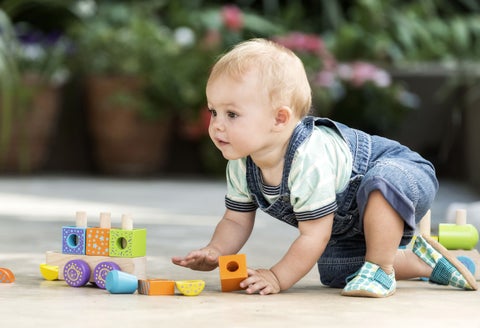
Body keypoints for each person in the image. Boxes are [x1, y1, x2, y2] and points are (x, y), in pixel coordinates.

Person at [171, 38, 478, 297]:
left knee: (380, 185)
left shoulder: (308, 157)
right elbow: (236, 221)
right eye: (214, 111)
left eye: (232, 114)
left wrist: (278, 276)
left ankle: (381, 270)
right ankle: (429, 263)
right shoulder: (241, 161)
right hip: (351, 221)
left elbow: (314, 235)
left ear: (279, 118)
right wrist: (215, 250)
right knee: (335, 270)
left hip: (402, 173)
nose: (217, 125)